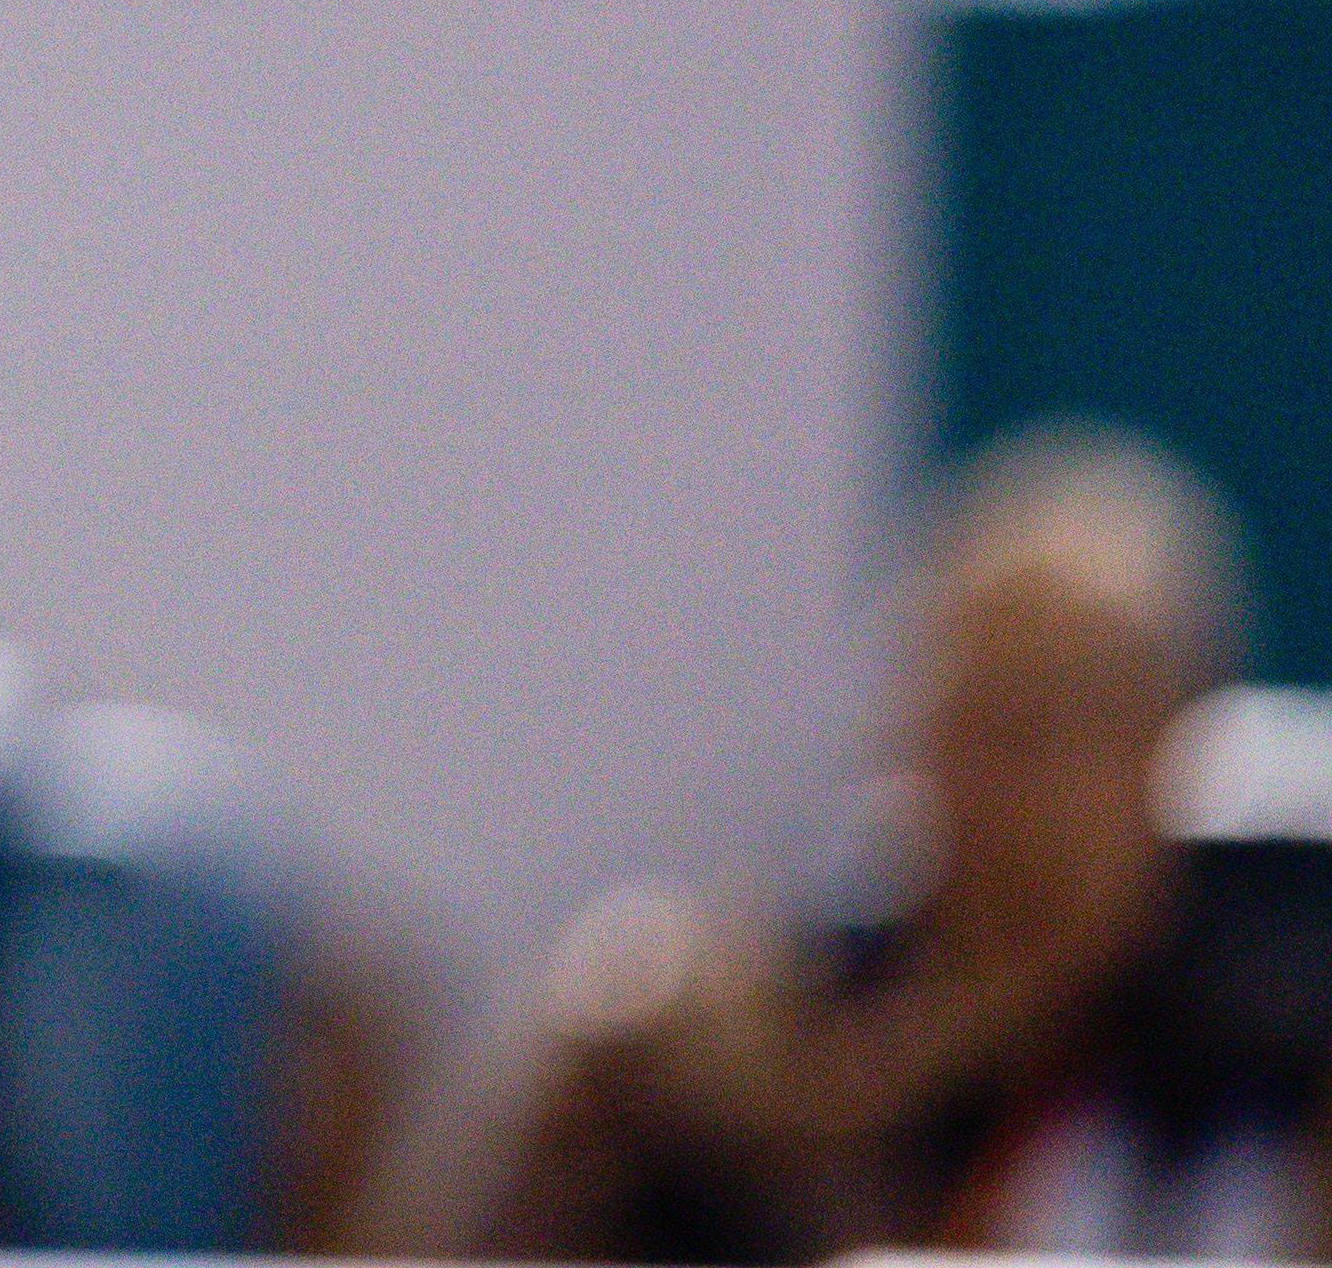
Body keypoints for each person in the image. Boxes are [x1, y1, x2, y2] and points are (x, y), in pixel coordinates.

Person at [464, 429, 1328, 1262]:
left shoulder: (1270, 1051)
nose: (999, 785)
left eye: (1053, 722)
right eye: (962, 722)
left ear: (1168, 741)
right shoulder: (759, 1029)